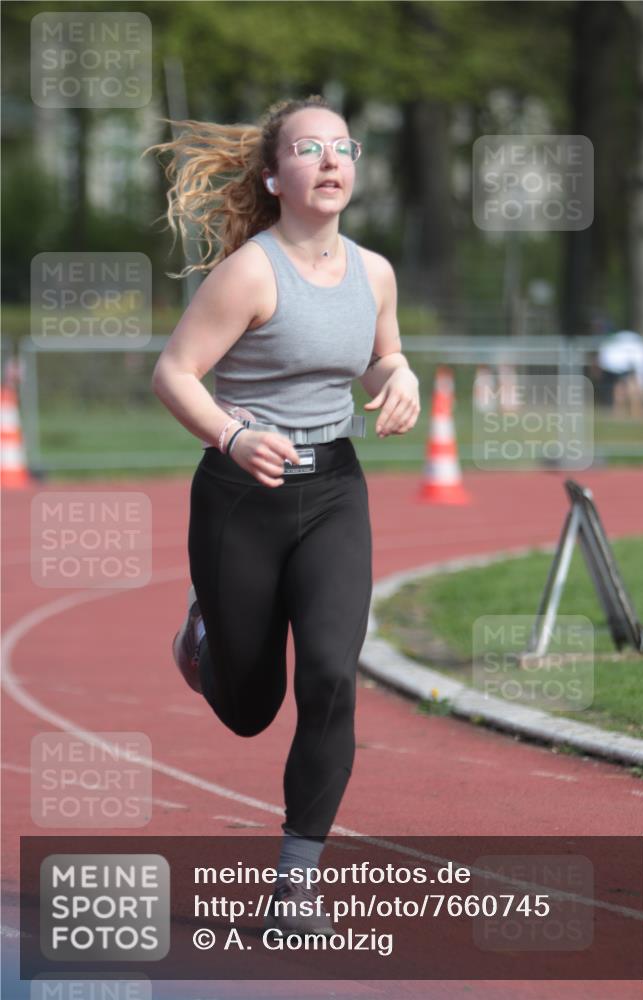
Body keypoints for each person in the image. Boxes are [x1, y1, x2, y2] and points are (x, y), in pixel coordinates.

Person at [149, 95, 420, 935]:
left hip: (334, 488)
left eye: (344, 145)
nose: (332, 160)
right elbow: (174, 373)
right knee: (249, 709)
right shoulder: (251, 272)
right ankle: (207, 639)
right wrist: (232, 438)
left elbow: (379, 355)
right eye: (309, 148)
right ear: (275, 175)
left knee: (333, 675)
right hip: (241, 497)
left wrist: (398, 375)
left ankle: (295, 883)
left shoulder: (374, 271)